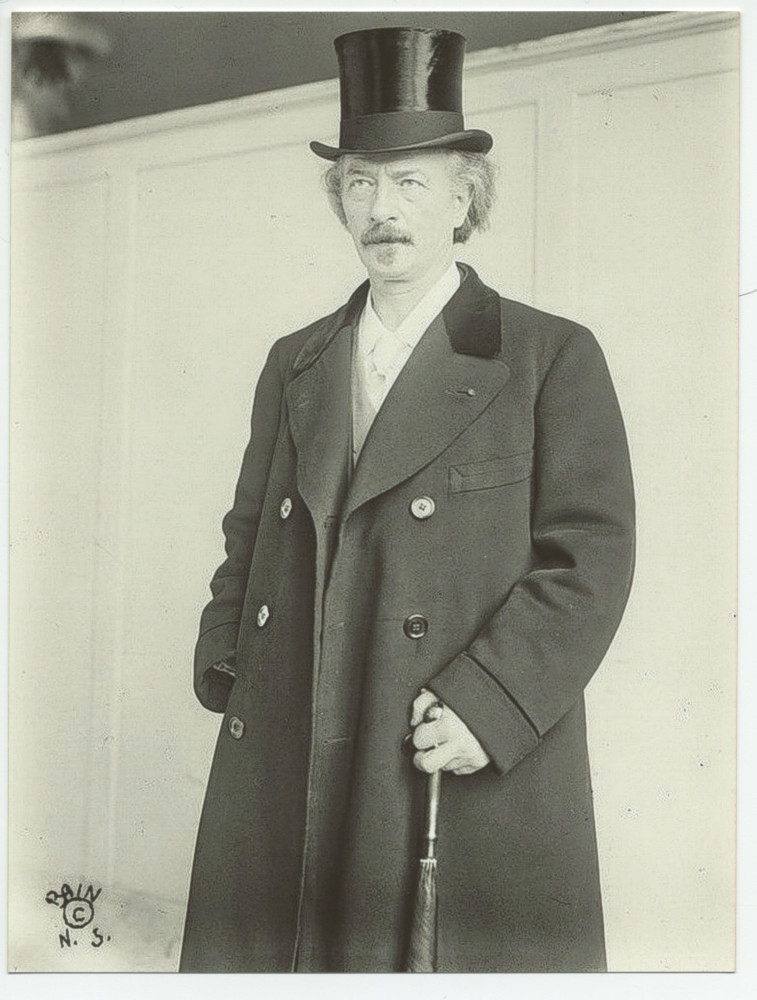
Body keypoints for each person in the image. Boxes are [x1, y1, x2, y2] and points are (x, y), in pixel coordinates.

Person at [180, 27, 635, 974]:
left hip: (438, 736)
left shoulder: (546, 356)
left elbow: (589, 558)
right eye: (359, 183)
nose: (381, 210)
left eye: (411, 184)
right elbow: (248, 530)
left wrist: (490, 706)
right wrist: (231, 656)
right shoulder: (295, 360)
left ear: (464, 199)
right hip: (298, 727)